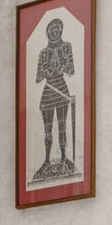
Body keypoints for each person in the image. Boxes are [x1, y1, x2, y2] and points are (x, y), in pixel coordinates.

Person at [31, 17, 79, 182]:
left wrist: (60, 67)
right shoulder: (43, 53)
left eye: (56, 29)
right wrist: (45, 70)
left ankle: (64, 158)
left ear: (60, 30)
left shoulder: (66, 47)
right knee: (47, 129)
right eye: (51, 30)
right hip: (48, 90)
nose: (54, 32)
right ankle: (46, 160)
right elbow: (38, 77)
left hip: (61, 89)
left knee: (62, 126)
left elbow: (71, 69)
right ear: (47, 32)